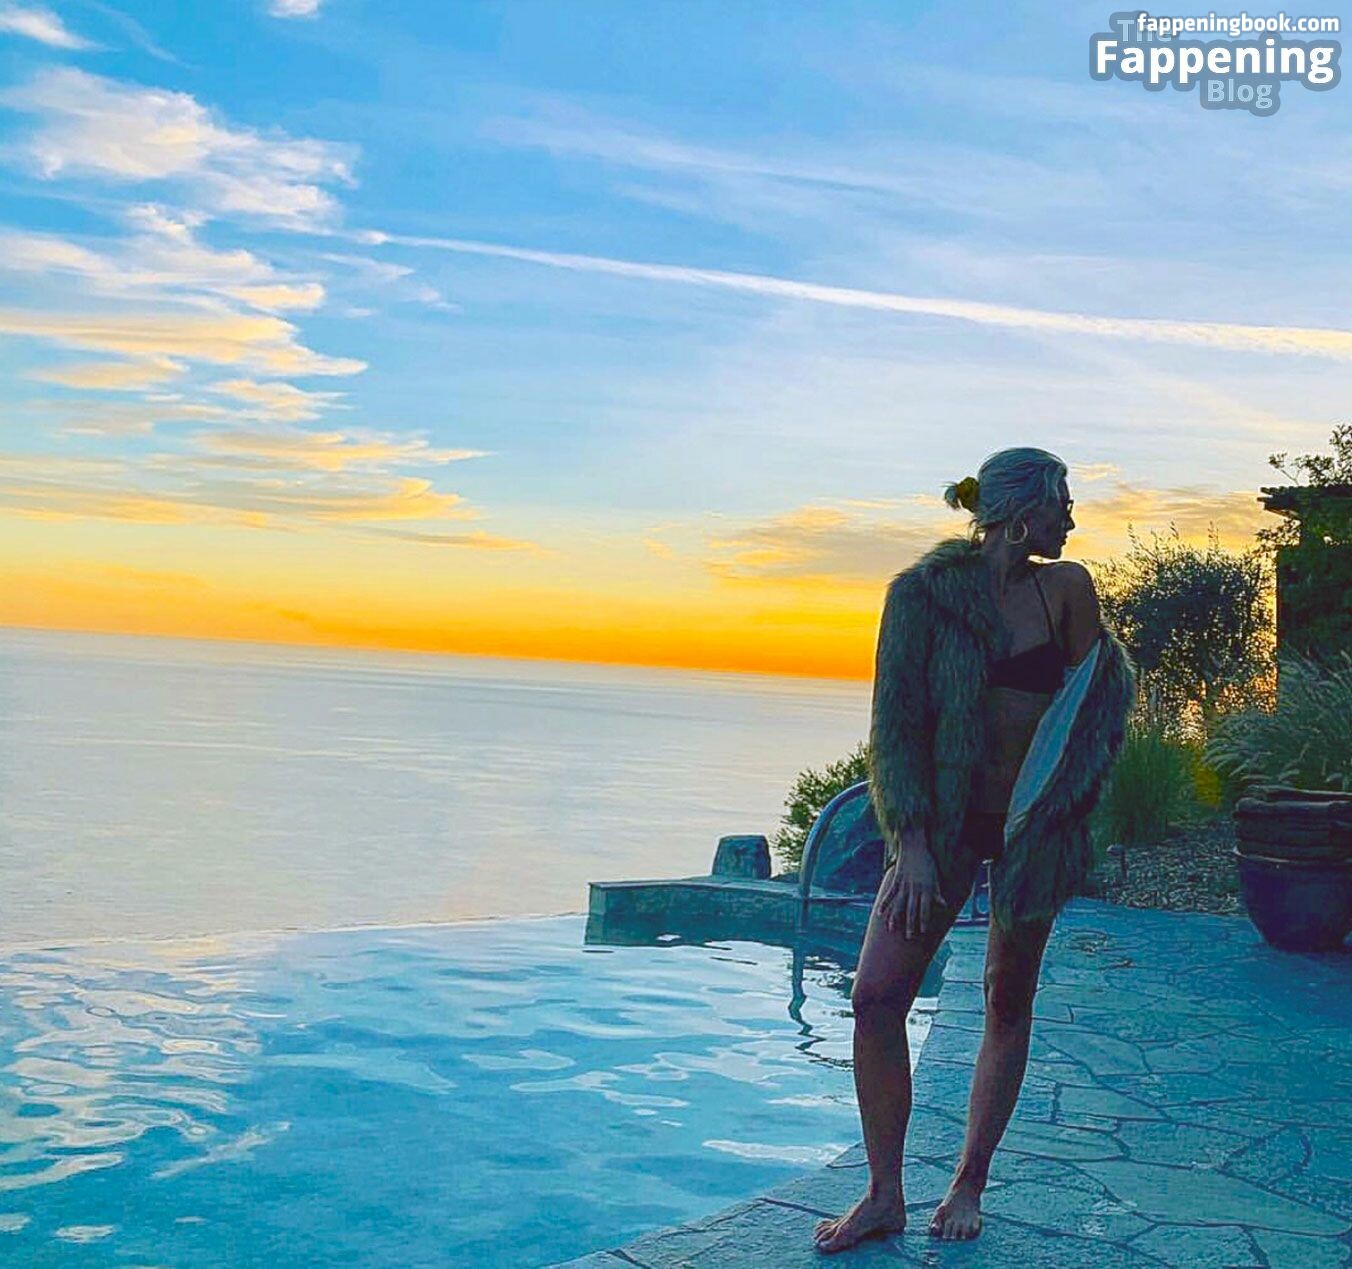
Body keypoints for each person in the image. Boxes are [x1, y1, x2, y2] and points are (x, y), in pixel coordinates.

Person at [813, 447, 1136, 1253]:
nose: (1072, 518)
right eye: (1063, 502)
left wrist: (1065, 816)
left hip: (1032, 829)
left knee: (1006, 996)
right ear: (1023, 514)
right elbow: (895, 727)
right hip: (945, 825)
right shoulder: (920, 596)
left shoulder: (1067, 589)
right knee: (875, 997)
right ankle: (884, 1192)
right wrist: (912, 844)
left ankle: (968, 1181)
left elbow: (1092, 712)